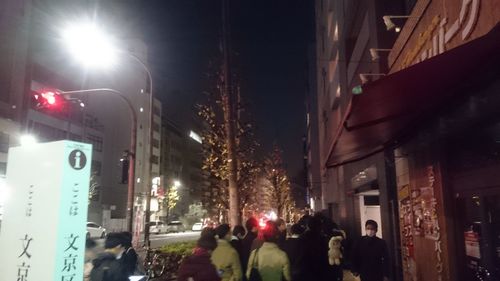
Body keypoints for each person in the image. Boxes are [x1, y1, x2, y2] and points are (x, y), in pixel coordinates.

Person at [299, 215, 330, 281]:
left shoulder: (302, 238)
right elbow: (325, 255)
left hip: (306, 270)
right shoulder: (322, 238)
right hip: (320, 269)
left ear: (308, 225)